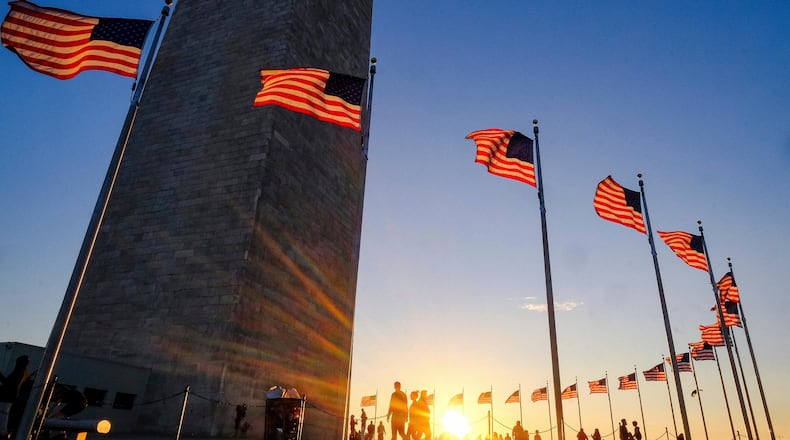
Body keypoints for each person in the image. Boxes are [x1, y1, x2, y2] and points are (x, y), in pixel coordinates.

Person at [0, 355, 29, 439]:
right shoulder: (24, 372)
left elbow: (10, 385)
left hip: (7, 398)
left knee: (3, 416)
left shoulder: (19, 372)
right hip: (9, 398)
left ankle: (3, 434)